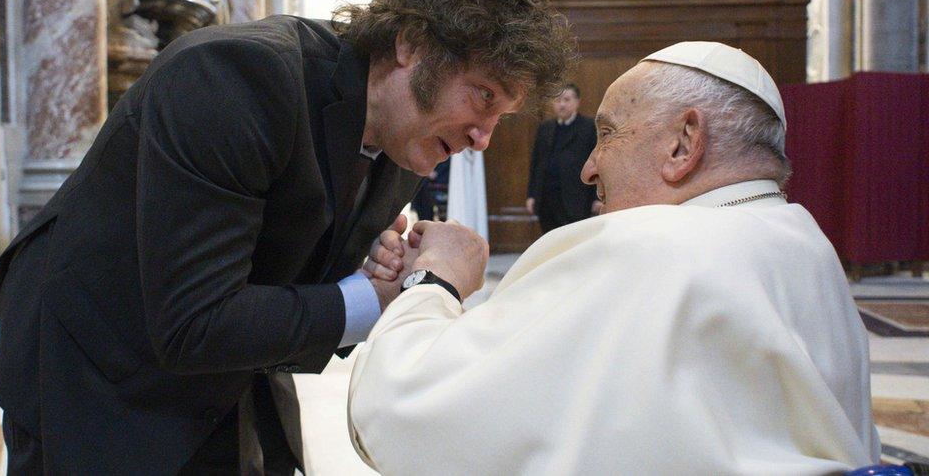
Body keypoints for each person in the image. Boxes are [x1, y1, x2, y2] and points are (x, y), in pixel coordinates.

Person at [0, 0, 571, 474]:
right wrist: (380, 298)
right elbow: (194, 322)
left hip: (228, 375)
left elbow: (296, 290)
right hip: (97, 369)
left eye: (501, 116)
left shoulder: (404, 141)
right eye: (483, 96)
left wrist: (373, 276)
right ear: (411, 45)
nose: (483, 138)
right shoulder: (235, 78)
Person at [350, 42, 879, 474]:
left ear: (683, 143)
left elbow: (407, 411)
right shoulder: (806, 244)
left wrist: (434, 281)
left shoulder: (647, 245)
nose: (589, 169)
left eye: (607, 135)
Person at [526, 83, 601, 233]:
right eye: (558, 100)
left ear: (577, 102)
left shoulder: (588, 127)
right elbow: (536, 163)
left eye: (566, 100)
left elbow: (597, 162)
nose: (561, 104)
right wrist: (532, 195)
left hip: (577, 197)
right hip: (547, 197)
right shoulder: (545, 128)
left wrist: (597, 197)